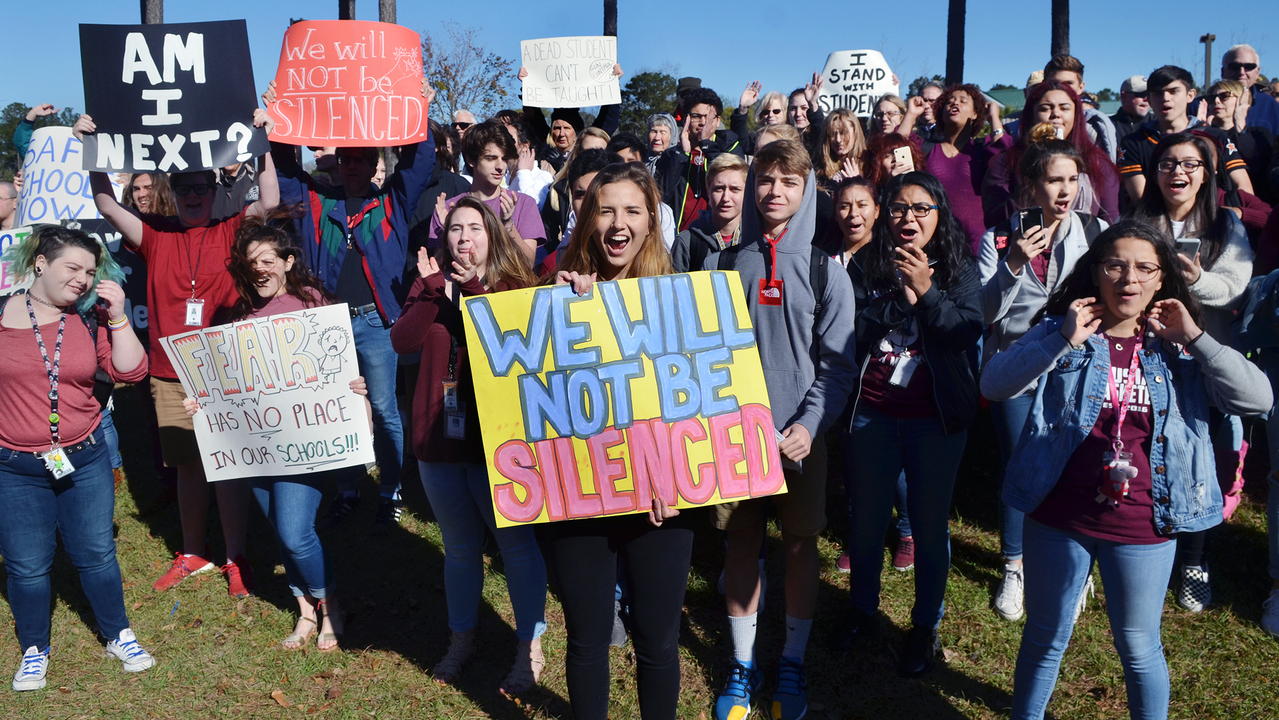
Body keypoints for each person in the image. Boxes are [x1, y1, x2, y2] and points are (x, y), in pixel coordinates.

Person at [981, 219, 1271, 720]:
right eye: (1115, 264)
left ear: (1162, 278)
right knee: (1046, 636)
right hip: (1058, 514)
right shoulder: (1065, 328)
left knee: (1138, 647)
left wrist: (1198, 337)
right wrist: (1060, 341)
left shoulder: (1179, 345)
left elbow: (1258, 398)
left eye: (1144, 268)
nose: (1128, 279)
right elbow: (994, 384)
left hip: (1144, 523)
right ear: (1096, 271)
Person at [77, 108, 280, 596]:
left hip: (225, 368)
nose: (193, 196)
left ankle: (235, 555)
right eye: (185, 188)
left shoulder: (232, 228)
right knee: (188, 464)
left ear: (214, 192)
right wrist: (92, 150)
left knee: (227, 464)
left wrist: (262, 139)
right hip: (171, 371)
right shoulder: (155, 234)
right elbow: (107, 204)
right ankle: (193, 551)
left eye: (201, 189)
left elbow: (269, 198)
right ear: (175, 192)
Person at [708, 139, 858, 720]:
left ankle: (791, 658)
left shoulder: (827, 272)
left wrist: (810, 424)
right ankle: (743, 664)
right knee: (741, 544)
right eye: (766, 180)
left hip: (802, 441)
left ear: (807, 191)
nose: (775, 192)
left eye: (789, 183)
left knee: (799, 547)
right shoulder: (721, 264)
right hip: (736, 440)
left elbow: (837, 365)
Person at [538, 163, 691, 720]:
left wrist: (674, 476)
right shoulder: (556, 296)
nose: (618, 223)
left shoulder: (679, 301)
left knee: (657, 641)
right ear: (588, 220)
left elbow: (693, 404)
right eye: (605, 210)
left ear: (651, 223)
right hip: (581, 494)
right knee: (586, 639)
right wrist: (552, 311)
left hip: (663, 499)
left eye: (632, 211)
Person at [182, 213, 365, 651]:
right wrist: (204, 404)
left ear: (286, 262)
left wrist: (353, 385)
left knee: (295, 532)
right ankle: (304, 610)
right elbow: (231, 383)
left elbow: (338, 365)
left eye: (268, 259)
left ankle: (331, 604)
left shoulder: (313, 305)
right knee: (282, 530)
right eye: (250, 263)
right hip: (255, 446)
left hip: (304, 443)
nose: (260, 269)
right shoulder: (238, 316)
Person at [390, 197, 547, 693]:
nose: (463, 237)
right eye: (454, 228)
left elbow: (501, 336)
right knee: (458, 549)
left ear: (491, 235)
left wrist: (472, 287)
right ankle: (462, 639)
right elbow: (402, 341)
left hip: (498, 445)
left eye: (474, 228)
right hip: (439, 442)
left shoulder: (511, 284)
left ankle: (530, 645)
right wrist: (436, 290)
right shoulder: (429, 286)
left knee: (515, 547)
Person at [266, 78, 434, 529]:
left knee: (383, 407)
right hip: (328, 325)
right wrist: (281, 116)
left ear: (376, 162)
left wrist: (417, 111)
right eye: (347, 158)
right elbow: (284, 170)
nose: (354, 165)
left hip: (378, 323)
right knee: (336, 410)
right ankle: (346, 487)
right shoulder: (317, 201)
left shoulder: (392, 202)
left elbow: (420, 164)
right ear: (337, 164)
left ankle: (391, 488)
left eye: (363, 158)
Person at [841, 171, 982, 677]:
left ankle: (924, 626)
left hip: (935, 421)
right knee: (867, 521)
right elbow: (850, 331)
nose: (909, 218)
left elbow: (966, 331)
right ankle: (862, 611)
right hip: (874, 415)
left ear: (939, 215)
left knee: (928, 525)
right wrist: (897, 301)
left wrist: (927, 290)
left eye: (922, 208)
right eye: (899, 208)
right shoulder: (865, 263)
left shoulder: (959, 266)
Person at [0, 225, 154, 691]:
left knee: (96, 553)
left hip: (84, 457)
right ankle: (34, 649)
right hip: (14, 466)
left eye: (90, 271)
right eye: (73, 267)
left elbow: (132, 371)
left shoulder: (88, 319)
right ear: (40, 264)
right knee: (26, 564)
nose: (83, 279)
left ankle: (117, 633)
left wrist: (120, 317)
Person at [979, 128, 1110, 622]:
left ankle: (1074, 567)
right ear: (1031, 185)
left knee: (1076, 464)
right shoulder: (1000, 236)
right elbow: (985, 313)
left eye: (1072, 180)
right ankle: (1015, 565)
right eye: (1054, 180)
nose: (1064, 191)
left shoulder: (1095, 234)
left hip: (1074, 368)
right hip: (1015, 367)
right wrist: (1013, 262)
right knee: (1021, 467)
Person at [984, 82, 1120, 228]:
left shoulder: (1097, 162)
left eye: (1064, 108)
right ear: (1031, 116)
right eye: (1045, 108)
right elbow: (995, 218)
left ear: (1077, 115)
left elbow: (1110, 219)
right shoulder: (1006, 161)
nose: (1056, 114)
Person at [1118, 66, 1253, 203]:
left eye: (1173, 91)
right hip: (1157, 221)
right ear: (1150, 100)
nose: (1165, 98)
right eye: (1157, 93)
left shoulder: (1215, 137)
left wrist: (1237, 215)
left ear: (1190, 95)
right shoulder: (1133, 142)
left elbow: (1245, 189)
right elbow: (1141, 199)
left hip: (1213, 218)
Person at [900, 84, 1008, 254]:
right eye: (949, 101)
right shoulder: (926, 149)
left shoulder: (981, 149)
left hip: (978, 248)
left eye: (963, 101)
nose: (954, 103)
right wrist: (911, 114)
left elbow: (1004, 152)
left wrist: (994, 117)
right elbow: (898, 145)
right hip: (936, 246)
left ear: (975, 113)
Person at [427, 120, 545, 263]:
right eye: (491, 158)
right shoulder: (448, 208)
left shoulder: (524, 203)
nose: (500, 166)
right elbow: (440, 267)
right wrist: (448, 233)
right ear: (470, 160)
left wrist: (507, 224)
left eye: (504, 159)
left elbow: (528, 263)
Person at [654, 87, 746, 232]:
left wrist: (707, 146)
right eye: (696, 116)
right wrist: (681, 155)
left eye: (709, 117)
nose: (703, 122)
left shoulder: (730, 148)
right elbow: (661, 195)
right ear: (686, 119)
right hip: (678, 236)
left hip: (716, 235)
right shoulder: (671, 154)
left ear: (718, 121)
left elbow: (731, 182)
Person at [519, 65, 624, 173]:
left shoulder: (586, 150)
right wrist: (527, 84)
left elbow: (608, 119)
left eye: (567, 128)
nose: (561, 133)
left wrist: (612, 83)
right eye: (557, 128)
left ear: (576, 132)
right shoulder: (545, 147)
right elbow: (534, 118)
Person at [671, 152, 748, 273]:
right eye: (719, 189)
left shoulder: (755, 240)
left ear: (747, 192)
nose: (726, 198)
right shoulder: (687, 242)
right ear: (708, 192)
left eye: (735, 189)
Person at [1205, 79, 1276, 203]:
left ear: (1242, 100)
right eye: (1211, 98)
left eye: (1224, 96)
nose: (1216, 101)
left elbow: (1255, 162)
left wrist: (1240, 123)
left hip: (1255, 204)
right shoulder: (1205, 135)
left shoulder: (1259, 133)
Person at [1042, 55, 1118, 162]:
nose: (1062, 88)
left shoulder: (1094, 129)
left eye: (1069, 84)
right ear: (1044, 84)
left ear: (1081, 87)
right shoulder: (1020, 127)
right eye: (1055, 83)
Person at [1221, 44, 1279, 135]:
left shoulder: (1270, 106)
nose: (1241, 72)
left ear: (1257, 72)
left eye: (1249, 66)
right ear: (1223, 71)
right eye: (1234, 66)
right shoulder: (1201, 105)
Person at [815, 108, 868, 192]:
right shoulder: (819, 170)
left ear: (855, 133)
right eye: (833, 134)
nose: (838, 139)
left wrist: (857, 182)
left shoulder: (869, 166)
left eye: (843, 133)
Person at [730, 82, 787, 156]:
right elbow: (740, 141)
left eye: (776, 111)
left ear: (786, 112)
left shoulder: (794, 137)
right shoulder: (756, 140)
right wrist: (743, 108)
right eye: (766, 112)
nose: (770, 115)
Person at [861, 133, 927, 190]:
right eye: (887, 155)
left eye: (900, 154)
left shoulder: (923, 186)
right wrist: (892, 184)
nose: (895, 159)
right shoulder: (870, 192)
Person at [1112, 76, 1152, 146]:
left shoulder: (1160, 124)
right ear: (1124, 96)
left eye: (1149, 94)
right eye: (1141, 94)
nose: (1146, 99)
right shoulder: (1108, 126)